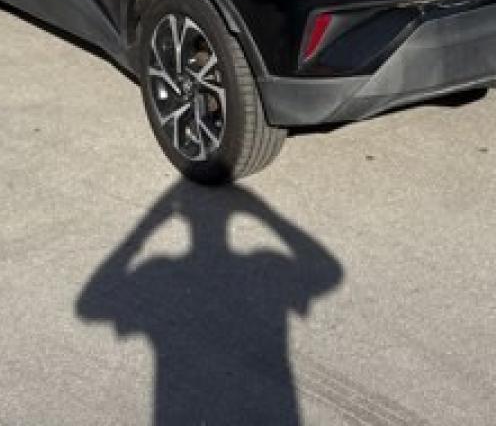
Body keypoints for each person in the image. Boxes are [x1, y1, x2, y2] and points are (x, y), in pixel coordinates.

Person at [77, 182, 343, 425]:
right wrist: (264, 214)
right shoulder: (264, 267)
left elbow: (90, 304)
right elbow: (328, 273)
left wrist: (145, 229)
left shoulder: (160, 274)